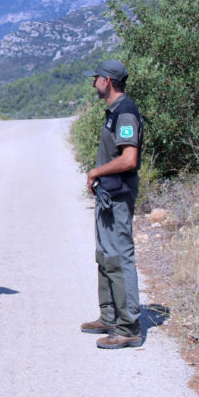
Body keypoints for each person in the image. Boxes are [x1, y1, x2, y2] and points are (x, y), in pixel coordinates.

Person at [81, 58, 144, 349]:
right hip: (109, 196)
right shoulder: (114, 111)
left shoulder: (126, 112)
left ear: (107, 81)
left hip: (118, 196)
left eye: (97, 78)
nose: (94, 83)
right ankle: (110, 316)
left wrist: (96, 171)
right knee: (105, 254)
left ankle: (128, 326)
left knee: (119, 256)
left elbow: (129, 159)